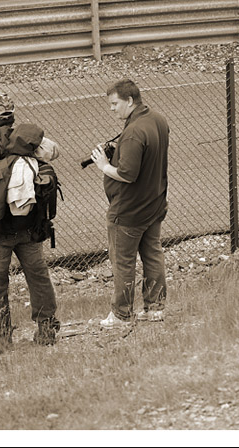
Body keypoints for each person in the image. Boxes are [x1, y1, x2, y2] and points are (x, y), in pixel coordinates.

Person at [0, 118, 61, 351]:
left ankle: (1, 338)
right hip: (30, 233)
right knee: (38, 279)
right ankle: (47, 329)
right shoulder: (40, 168)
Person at [92, 79, 170, 329]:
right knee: (152, 254)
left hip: (129, 211)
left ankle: (122, 314)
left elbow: (127, 174)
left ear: (129, 100)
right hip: (154, 203)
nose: (111, 109)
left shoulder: (134, 131)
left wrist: (104, 165)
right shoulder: (157, 119)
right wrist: (121, 149)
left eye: (115, 104)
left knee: (123, 261)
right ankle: (155, 308)